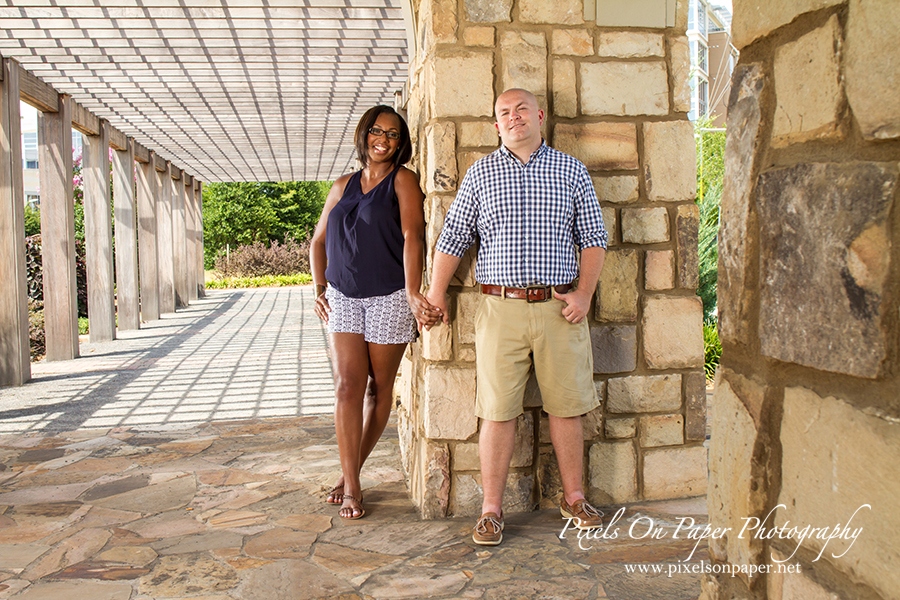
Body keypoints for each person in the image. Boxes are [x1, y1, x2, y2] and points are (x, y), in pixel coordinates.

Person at [425, 89, 608, 545]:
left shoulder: (571, 171)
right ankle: (490, 510)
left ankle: (575, 497)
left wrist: (585, 293)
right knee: (497, 412)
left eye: (521, 109)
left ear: (539, 116)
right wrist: (436, 292)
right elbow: (454, 237)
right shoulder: (481, 174)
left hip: (559, 308)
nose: (514, 117)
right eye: (504, 113)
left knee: (567, 409)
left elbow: (593, 238)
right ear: (496, 125)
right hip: (498, 309)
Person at [310, 105, 440, 520]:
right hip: (344, 297)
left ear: (401, 144)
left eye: (394, 134)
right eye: (377, 130)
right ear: (364, 133)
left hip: (388, 297)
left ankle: (349, 475)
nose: (383, 139)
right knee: (347, 386)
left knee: (376, 389)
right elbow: (317, 241)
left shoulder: (403, 180)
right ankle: (354, 485)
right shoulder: (342, 185)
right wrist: (319, 288)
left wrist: (412, 289)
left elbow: (411, 233)